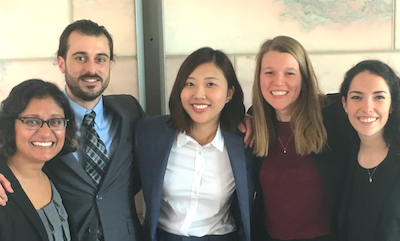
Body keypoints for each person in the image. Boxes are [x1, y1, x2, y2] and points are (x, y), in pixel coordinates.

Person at [0, 20, 146, 241]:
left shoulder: (129, 110)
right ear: (61, 63)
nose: (91, 69)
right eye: (80, 58)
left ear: (110, 65)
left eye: (100, 59)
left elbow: (156, 154)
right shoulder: (40, 116)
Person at [135, 47, 254, 241]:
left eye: (211, 84)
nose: (199, 94)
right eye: (189, 84)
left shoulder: (245, 142)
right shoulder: (149, 133)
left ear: (229, 93)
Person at [251, 36, 350, 241]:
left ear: (304, 78)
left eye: (289, 73)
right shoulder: (256, 122)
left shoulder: (334, 117)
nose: (278, 81)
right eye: (269, 72)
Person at [0, 79, 78, 241]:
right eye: (32, 121)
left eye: (55, 121)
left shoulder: (56, 172)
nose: (45, 133)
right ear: (10, 125)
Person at [338, 60, 400, 241]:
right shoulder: (341, 154)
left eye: (379, 97)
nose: (367, 107)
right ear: (344, 104)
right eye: (357, 97)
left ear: (392, 104)